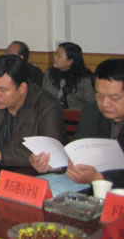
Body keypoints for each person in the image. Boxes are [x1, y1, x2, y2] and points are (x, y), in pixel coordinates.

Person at [30, 59, 124, 187]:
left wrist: (99, 178)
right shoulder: (91, 112)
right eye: (99, 96)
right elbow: (77, 152)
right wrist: (54, 164)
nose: (105, 104)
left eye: (114, 98)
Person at [41, 42, 94, 109]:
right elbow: (43, 96)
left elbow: (91, 104)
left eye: (59, 56)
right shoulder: (49, 74)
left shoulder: (84, 79)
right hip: (52, 112)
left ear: (70, 61)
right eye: (55, 54)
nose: (55, 57)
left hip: (76, 114)